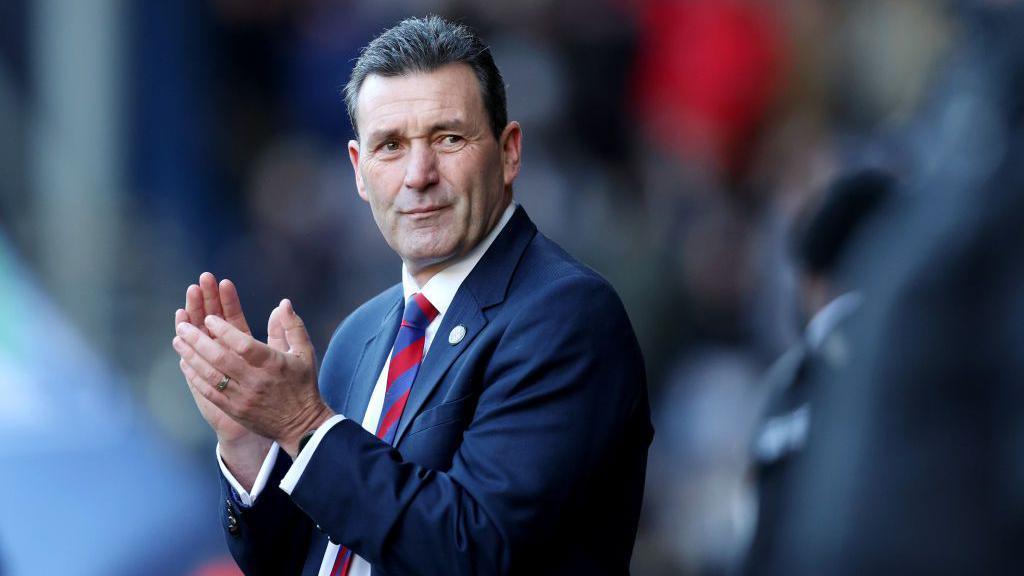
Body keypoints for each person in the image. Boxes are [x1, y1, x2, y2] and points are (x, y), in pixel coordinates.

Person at [170, 16, 652, 576]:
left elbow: (473, 551)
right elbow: (305, 557)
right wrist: (253, 443)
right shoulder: (360, 334)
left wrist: (302, 422)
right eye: (391, 146)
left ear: (509, 152)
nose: (418, 175)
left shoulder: (566, 317)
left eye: (448, 138)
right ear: (358, 170)